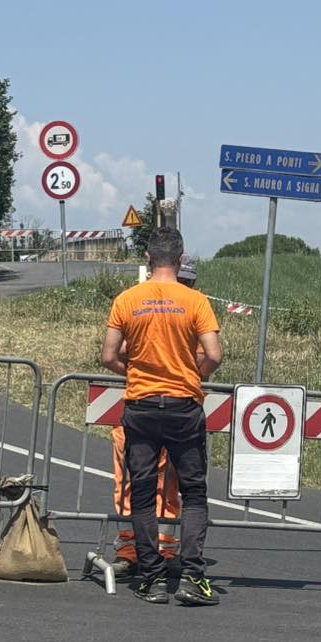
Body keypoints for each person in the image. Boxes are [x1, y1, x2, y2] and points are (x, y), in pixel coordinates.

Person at [102, 228, 223, 606]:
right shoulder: (196, 301)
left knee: (141, 493)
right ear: (181, 257)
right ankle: (191, 577)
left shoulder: (127, 300)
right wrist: (191, 375)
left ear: (149, 259)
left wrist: (135, 372)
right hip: (183, 406)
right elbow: (214, 355)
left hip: (140, 406)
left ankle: (150, 578)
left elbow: (108, 356)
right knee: (194, 493)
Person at [107, 257, 198, 577]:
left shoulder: (182, 307)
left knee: (162, 481)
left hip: (152, 408)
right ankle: (135, 547)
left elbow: (111, 354)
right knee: (136, 481)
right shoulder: (150, 305)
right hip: (167, 409)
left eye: (186, 283)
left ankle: (160, 547)